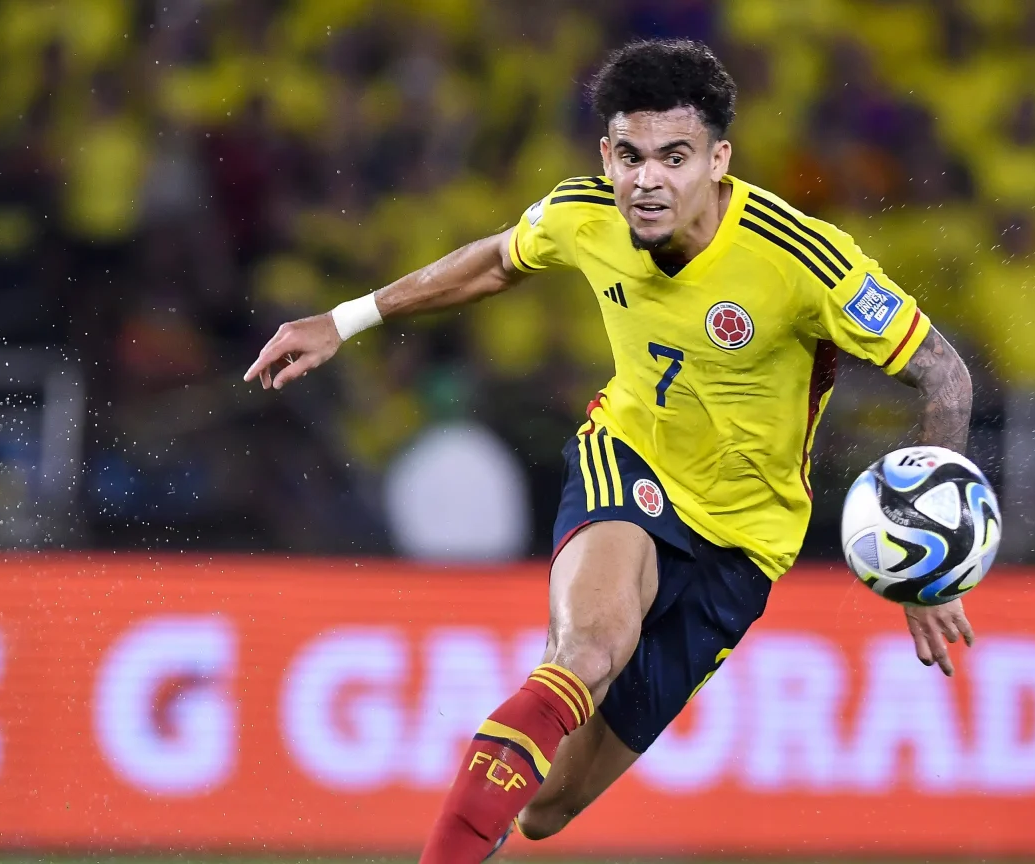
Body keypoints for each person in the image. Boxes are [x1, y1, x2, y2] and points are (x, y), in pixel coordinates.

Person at [244, 39, 976, 864]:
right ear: (606, 156)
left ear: (718, 160)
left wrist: (929, 565)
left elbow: (943, 375)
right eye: (630, 156)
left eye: (674, 157)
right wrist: (343, 321)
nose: (647, 180)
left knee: (544, 809)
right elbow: (496, 261)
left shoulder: (802, 258)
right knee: (588, 651)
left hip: (745, 545)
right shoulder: (583, 213)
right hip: (628, 464)